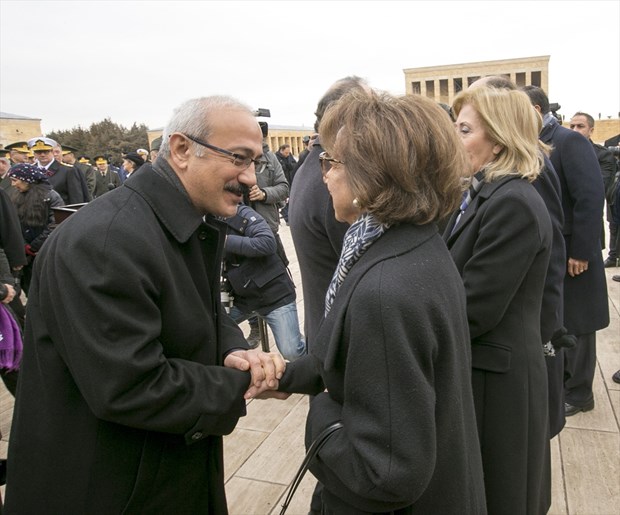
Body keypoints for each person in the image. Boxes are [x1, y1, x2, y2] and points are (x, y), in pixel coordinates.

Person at [4, 95, 285, 514]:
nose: (249, 178)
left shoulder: (176, 222)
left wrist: (232, 349)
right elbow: (129, 385)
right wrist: (242, 384)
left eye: (255, 163)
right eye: (239, 159)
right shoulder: (106, 241)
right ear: (182, 150)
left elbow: (193, 309)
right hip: (108, 489)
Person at [268, 90, 486, 513]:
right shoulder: (410, 242)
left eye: (332, 162)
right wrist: (285, 379)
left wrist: (322, 414)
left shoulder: (385, 286)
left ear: (374, 176)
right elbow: (356, 356)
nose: (325, 175)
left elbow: (383, 473)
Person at [444, 86, 552, 514]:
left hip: (498, 384)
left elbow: (474, 309)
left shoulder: (512, 203)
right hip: (487, 373)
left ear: (501, 139)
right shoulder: (486, 194)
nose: (454, 138)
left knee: (505, 495)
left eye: (465, 129)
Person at [523, 86, 609, 418]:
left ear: (533, 108)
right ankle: (565, 386)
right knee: (562, 320)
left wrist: (582, 251)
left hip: (574, 252)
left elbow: (590, 196)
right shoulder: (535, 141)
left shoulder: (567, 140)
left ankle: (580, 392)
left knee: (580, 322)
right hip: (554, 251)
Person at [223, 203, 306, 361]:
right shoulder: (209, 221)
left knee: (291, 350)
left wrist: (226, 240)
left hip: (273, 296)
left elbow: (267, 243)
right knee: (212, 323)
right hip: (240, 297)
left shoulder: (244, 213)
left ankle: (321, 360)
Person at [244, 121, 289, 346]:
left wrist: (263, 193)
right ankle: (254, 326)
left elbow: (283, 187)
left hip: (268, 227)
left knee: (278, 272)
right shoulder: (236, 158)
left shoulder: (271, 160)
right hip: (241, 230)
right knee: (245, 280)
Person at [568, 112, 618, 268]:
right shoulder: (558, 151)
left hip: (587, 231)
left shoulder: (603, 155)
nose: (575, 130)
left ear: (591, 130)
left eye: (580, 126)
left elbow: (596, 191)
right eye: (572, 126)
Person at [7, 163, 64, 295]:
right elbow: (13, 223)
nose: (13, 185)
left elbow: (56, 224)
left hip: (44, 252)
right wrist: (23, 245)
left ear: (27, 179)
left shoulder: (51, 197)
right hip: (24, 254)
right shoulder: (15, 196)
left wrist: (35, 246)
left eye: (15, 180)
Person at [27, 137, 88, 205]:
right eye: (39, 152)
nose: (42, 155)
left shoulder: (68, 170)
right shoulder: (29, 170)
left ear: (52, 152)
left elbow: (76, 198)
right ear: (34, 154)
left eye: (46, 152)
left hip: (60, 212)